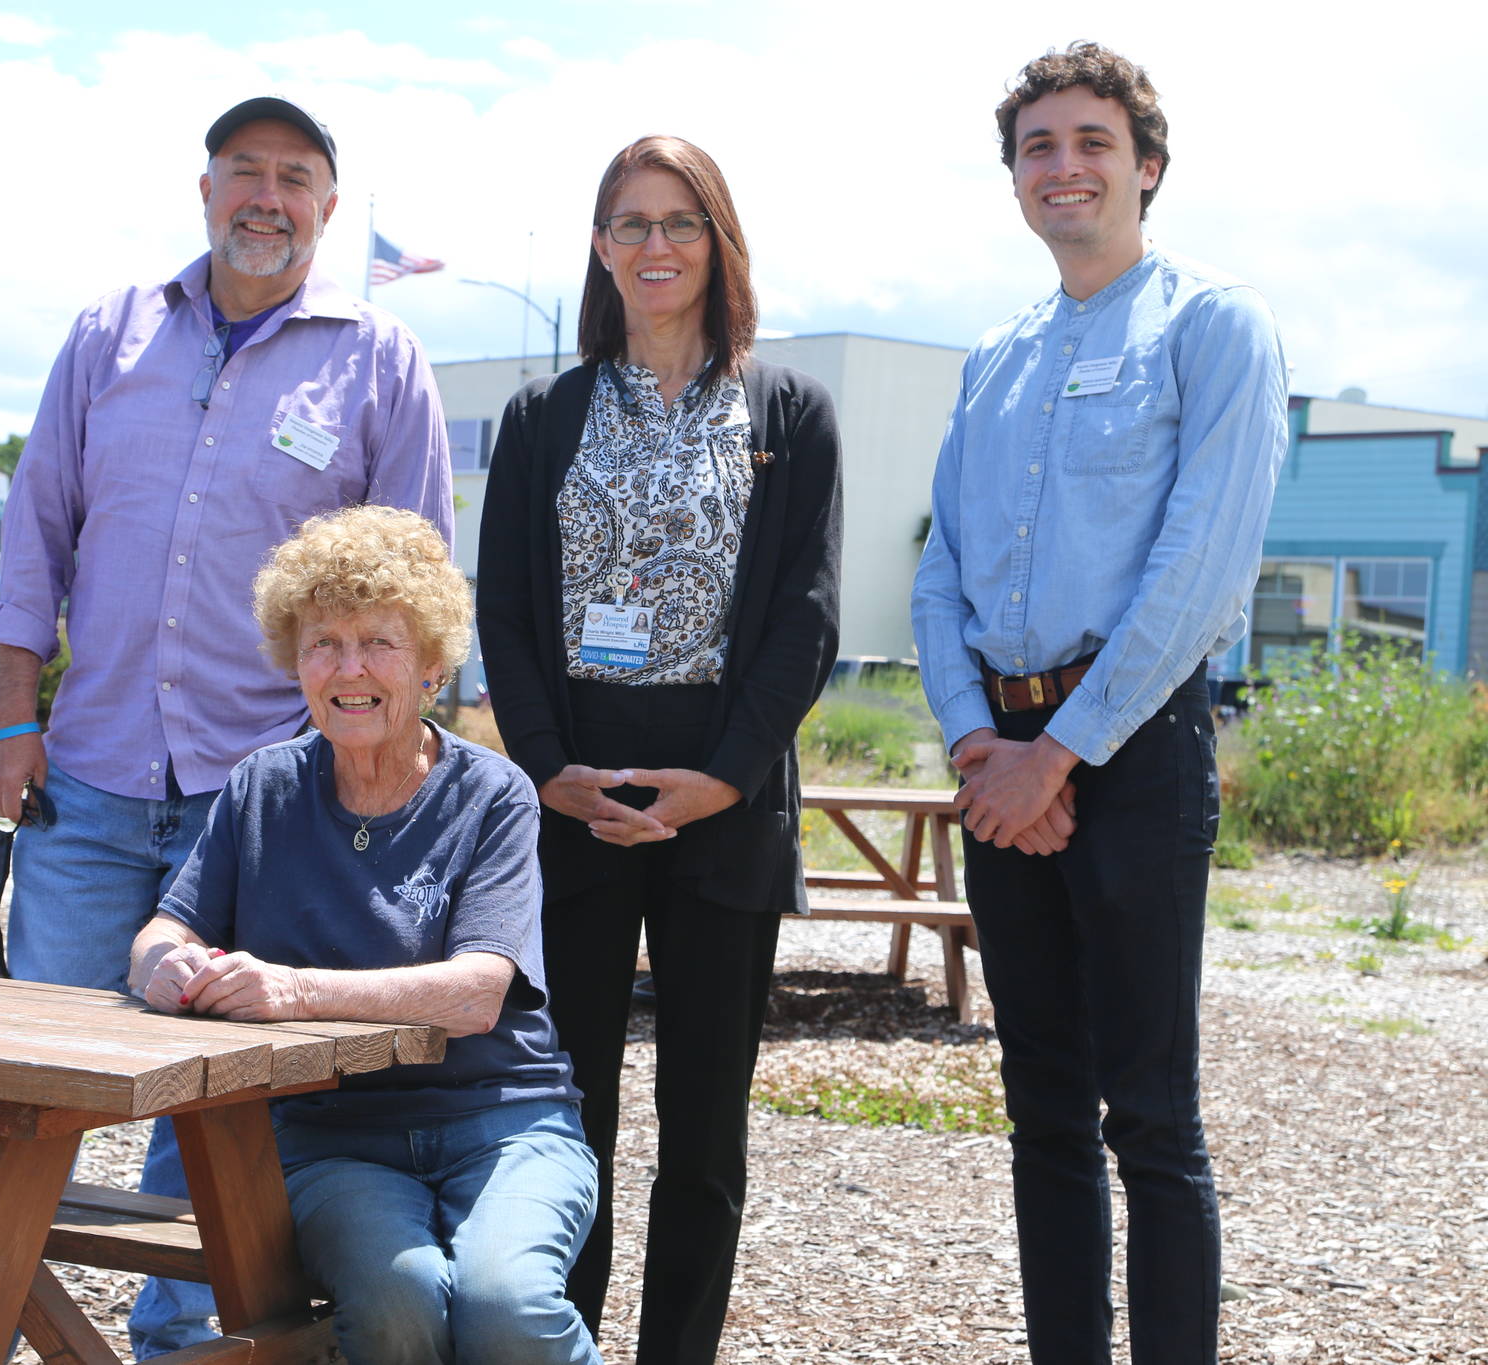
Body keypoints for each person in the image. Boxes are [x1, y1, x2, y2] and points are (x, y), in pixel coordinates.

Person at [0, 96, 453, 1356]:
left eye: (294, 177)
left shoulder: (379, 360)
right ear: (203, 190)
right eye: (244, 170)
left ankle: (173, 1345)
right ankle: (2, 1317)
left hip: (269, 799)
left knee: (213, 1097)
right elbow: (37, 534)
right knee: (37, 1074)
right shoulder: (107, 336)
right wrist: (9, 717)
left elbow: (412, 588)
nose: (266, 196)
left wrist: (380, 778)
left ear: (327, 209)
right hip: (87, 778)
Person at [910, 42, 1288, 1364]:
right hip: (995, 756)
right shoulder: (996, 358)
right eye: (1038, 147)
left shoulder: (1213, 327)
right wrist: (977, 742)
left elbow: (1200, 571)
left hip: (1129, 753)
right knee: (1044, 1112)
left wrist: (1057, 755)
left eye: (1090, 142)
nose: (1062, 167)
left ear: (1148, 167)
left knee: (1151, 1117)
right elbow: (938, 564)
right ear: (1016, 177)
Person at [476, 135, 841, 1363]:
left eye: (678, 222)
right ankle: (554, 1341)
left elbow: (804, 615)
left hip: (722, 793)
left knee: (702, 1124)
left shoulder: (786, 412)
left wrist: (725, 778)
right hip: (574, 784)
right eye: (627, 223)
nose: (653, 246)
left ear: (717, 241)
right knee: (564, 1109)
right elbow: (506, 613)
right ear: (598, 246)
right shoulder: (545, 414)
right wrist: (543, 765)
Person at [132, 505, 601, 1365]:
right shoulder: (264, 785)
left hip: (503, 1121)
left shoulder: (493, 794)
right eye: (323, 643)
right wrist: (166, 965)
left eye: (379, 643)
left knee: (506, 1305)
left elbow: (475, 992)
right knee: (397, 1301)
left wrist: (293, 989)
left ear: (429, 662)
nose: (350, 669)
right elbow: (167, 926)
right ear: (295, 661)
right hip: (332, 1136)